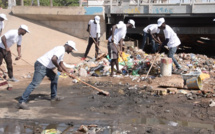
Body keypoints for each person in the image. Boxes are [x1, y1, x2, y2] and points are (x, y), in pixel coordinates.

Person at [18, 41, 77, 110]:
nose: (71, 51)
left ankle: (54, 96)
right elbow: (54, 59)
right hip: (41, 65)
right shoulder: (61, 49)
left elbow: (61, 63)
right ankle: (21, 102)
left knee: (54, 78)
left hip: (46, 67)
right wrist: (58, 67)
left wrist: (69, 73)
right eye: (72, 49)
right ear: (69, 47)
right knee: (34, 83)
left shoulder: (62, 51)